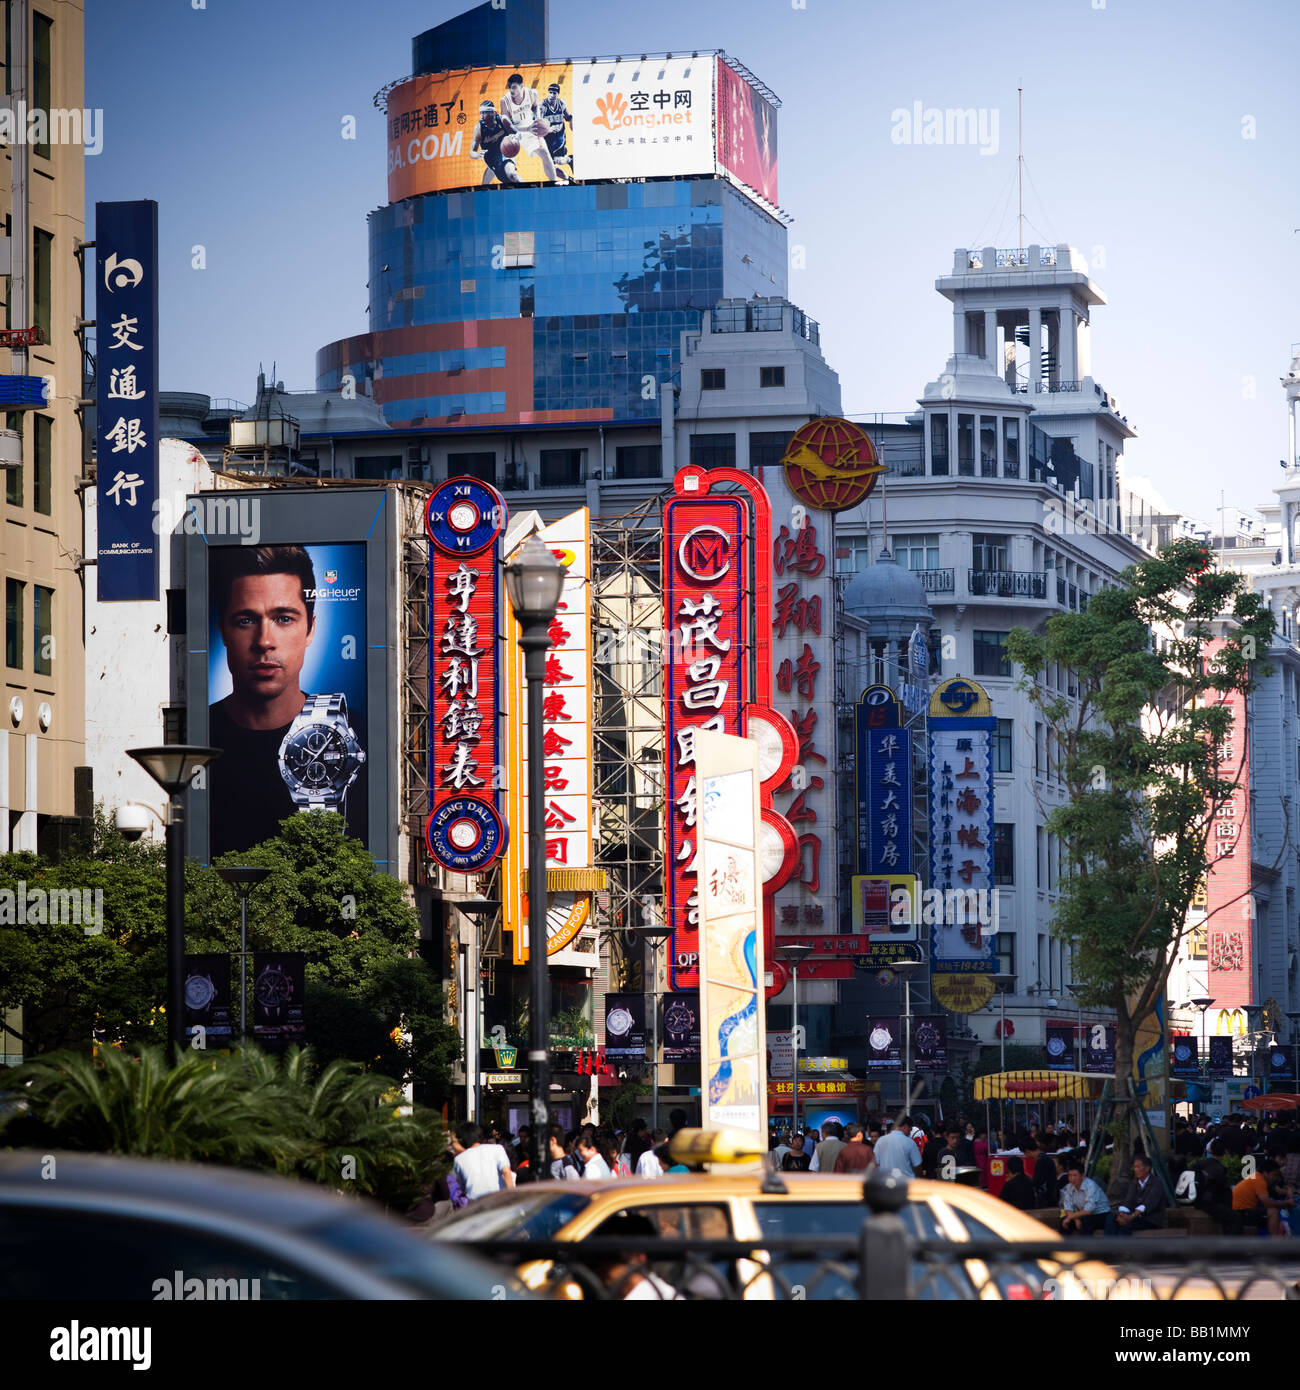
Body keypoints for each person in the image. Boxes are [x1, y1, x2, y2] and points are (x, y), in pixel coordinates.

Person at [207, 545, 368, 854]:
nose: (264, 641)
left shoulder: (362, 733)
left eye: (283, 618)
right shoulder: (194, 744)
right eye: (245, 620)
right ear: (223, 631)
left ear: (311, 628)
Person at [499, 72, 565, 183]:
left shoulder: (532, 93)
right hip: (514, 132)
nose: (511, 90)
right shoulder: (504, 101)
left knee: (545, 153)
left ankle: (554, 183)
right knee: (507, 168)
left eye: (514, 87)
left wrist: (539, 119)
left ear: (521, 86)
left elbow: (535, 107)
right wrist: (526, 129)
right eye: (510, 88)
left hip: (531, 128)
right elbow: (508, 125)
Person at [452, 1122, 516, 1201]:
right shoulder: (497, 1149)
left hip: (475, 1205)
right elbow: (506, 1172)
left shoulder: (459, 1159)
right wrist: (512, 1197)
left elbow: (460, 1187)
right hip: (499, 1200)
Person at [471, 99, 520, 186]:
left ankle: (528, 190)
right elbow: (472, 153)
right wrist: (477, 155)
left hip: (505, 153)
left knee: (512, 175)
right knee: (485, 187)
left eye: (485, 113)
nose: (482, 116)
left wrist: (515, 137)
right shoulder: (479, 128)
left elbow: (518, 134)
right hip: (491, 158)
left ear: (493, 113)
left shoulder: (503, 120)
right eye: (481, 113)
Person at [1115, 1155, 1167, 1233]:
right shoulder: (1134, 1183)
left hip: (1150, 1219)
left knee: (1127, 1225)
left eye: (1138, 1167)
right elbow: (1128, 1201)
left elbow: (1148, 1204)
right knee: (1112, 1220)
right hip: (1134, 1217)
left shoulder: (1156, 1183)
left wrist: (1131, 1217)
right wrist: (1122, 1214)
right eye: (1134, 1167)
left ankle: (1122, 1245)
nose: (1135, 1170)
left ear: (1147, 1168)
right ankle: (1109, 1244)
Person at [1059, 1161, 1111, 1234]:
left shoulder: (1091, 1186)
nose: (1072, 1178)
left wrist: (1071, 1217)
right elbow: (1068, 1207)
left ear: (1082, 1176)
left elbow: (1088, 1210)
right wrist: (1075, 1219)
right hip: (1082, 1215)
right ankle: (1063, 1244)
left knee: (1085, 1220)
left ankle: (1085, 1245)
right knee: (1063, 1221)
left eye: (1075, 1175)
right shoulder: (1069, 1187)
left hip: (1101, 1215)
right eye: (1070, 1175)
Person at [873, 1114, 922, 1179]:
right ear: (905, 1126)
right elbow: (917, 1165)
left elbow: (875, 1163)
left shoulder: (881, 1141)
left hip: (885, 1182)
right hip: (905, 1183)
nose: (910, 1133)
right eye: (910, 1130)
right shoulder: (910, 1142)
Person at [538, 80, 573, 173]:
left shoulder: (562, 104)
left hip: (559, 137)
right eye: (550, 92)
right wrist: (548, 130)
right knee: (550, 164)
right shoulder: (542, 106)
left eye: (554, 93)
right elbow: (538, 124)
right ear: (547, 93)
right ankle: (569, 163)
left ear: (558, 94)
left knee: (558, 160)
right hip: (547, 137)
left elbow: (568, 117)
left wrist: (571, 122)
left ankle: (570, 160)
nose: (552, 95)